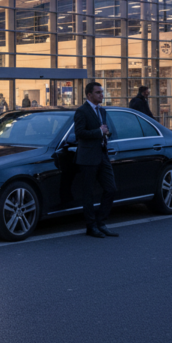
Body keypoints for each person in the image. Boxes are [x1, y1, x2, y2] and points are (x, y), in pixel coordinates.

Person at [74, 81, 118, 238]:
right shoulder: (82, 111)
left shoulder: (102, 111)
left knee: (111, 189)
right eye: (98, 92)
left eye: (102, 92)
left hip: (102, 155)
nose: (102, 95)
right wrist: (98, 132)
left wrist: (105, 133)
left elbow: (103, 130)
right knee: (88, 194)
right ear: (89, 95)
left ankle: (101, 222)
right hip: (87, 157)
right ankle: (91, 226)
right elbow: (79, 133)